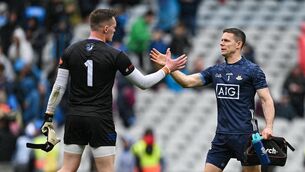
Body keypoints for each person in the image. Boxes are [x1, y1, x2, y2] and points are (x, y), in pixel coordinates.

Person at [39, 8, 187, 172]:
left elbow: (59, 87)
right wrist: (167, 69)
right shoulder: (116, 55)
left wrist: (48, 116)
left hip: (76, 117)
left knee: (67, 168)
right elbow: (143, 83)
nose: (115, 30)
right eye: (114, 27)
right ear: (106, 28)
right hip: (101, 120)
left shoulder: (70, 51)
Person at [150, 28, 275, 172]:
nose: (221, 43)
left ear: (238, 44)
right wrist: (168, 67)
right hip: (222, 137)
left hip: (245, 136)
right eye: (221, 40)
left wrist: (269, 126)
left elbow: (266, 100)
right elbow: (187, 82)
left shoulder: (253, 70)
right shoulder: (216, 70)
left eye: (226, 40)